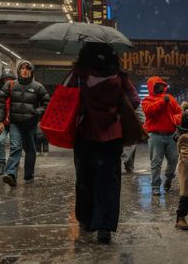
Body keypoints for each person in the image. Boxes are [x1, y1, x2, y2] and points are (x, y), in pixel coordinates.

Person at [68, 42, 147, 244]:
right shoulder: (120, 77)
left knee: (85, 179)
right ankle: (104, 226)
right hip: (113, 136)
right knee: (109, 182)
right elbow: (135, 100)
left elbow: (65, 97)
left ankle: (86, 219)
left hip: (85, 134)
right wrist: (115, 109)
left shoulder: (79, 75)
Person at [0, 61, 49, 186]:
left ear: (31, 71)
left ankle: (28, 175)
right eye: (22, 69)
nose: (25, 71)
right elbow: (0, 103)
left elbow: (47, 104)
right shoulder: (10, 85)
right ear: (19, 71)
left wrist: (37, 112)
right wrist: (0, 121)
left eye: (27, 69)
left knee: (30, 150)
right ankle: (11, 174)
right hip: (15, 124)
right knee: (15, 147)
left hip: (31, 125)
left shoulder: (38, 87)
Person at [142, 76, 182, 196]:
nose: (160, 87)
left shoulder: (170, 98)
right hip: (155, 136)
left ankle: (168, 179)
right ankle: (155, 185)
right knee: (156, 162)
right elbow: (149, 111)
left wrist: (175, 120)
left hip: (171, 135)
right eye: (156, 85)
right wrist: (162, 102)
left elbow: (179, 112)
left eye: (161, 85)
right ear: (151, 87)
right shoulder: (147, 100)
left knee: (174, 159)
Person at [122, 105, 145, 173]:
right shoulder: (134, 100)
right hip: (131, 128)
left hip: (121, 128)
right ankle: (129, 166)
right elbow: (141, 117)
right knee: (130, 147)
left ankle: (129, 166)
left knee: (129, 147)